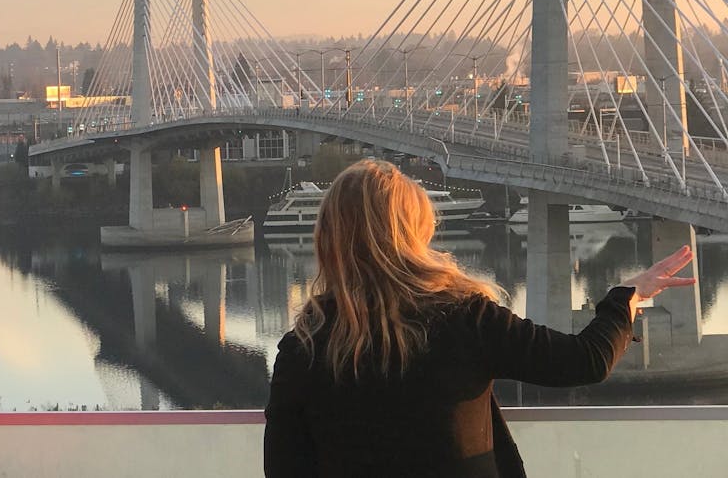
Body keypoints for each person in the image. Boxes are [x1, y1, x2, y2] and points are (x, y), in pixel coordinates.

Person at [264, 159, 696, 478]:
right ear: (415, 232)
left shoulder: (304, 345)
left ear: (328, 236)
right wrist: (628, 298)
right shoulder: (463, 317)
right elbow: (584, 360)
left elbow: (283, 467)